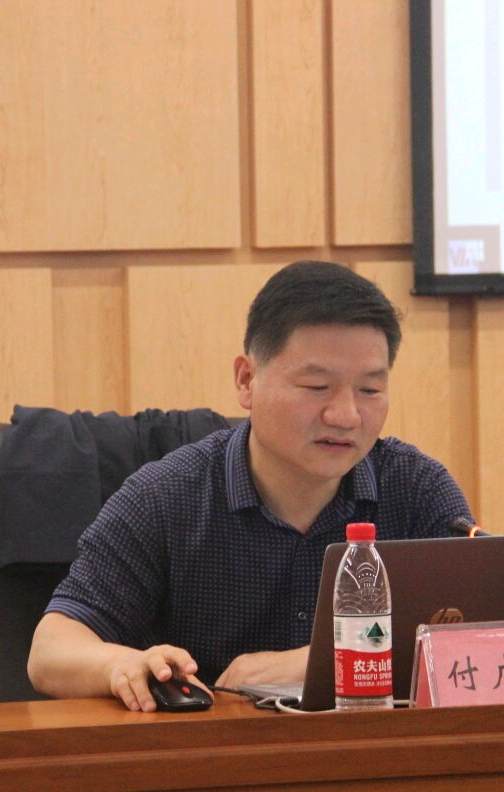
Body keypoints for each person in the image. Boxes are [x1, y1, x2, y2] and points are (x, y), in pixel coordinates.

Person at [26, 261, 472, 711]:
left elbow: (478, 635)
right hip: (213, 750)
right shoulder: (165, 496)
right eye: (317, 386)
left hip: (376, 747)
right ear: (246, 380)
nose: (346, 416)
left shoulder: (418, 490)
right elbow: (50, 651)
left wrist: (307, 663)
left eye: (370, 391)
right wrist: (121, 664)